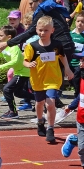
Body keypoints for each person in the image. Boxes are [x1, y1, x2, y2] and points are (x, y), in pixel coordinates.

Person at [24, 16, 74, 144]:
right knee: (40, 103)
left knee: (50, 103)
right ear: (36, 30)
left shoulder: (57, 45)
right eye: (40, 30)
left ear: (52, 30)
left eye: (46, 30)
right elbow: (25, 61)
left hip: (53, 79)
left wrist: (67, 70)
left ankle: (51, 128)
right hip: (38, 79)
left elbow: (63, 57)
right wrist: (29, 65)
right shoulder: (32, 46)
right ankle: (40, 121)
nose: (42, 33)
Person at [0, 25, 33, 119]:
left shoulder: (14, 48)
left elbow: (15, 61)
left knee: (7, 89)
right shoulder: (4, 48)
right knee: (18, 93)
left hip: (24, 72)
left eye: (1, 35)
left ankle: (13, 112)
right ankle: (40, 98)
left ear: (9, 37)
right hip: (18, 72)